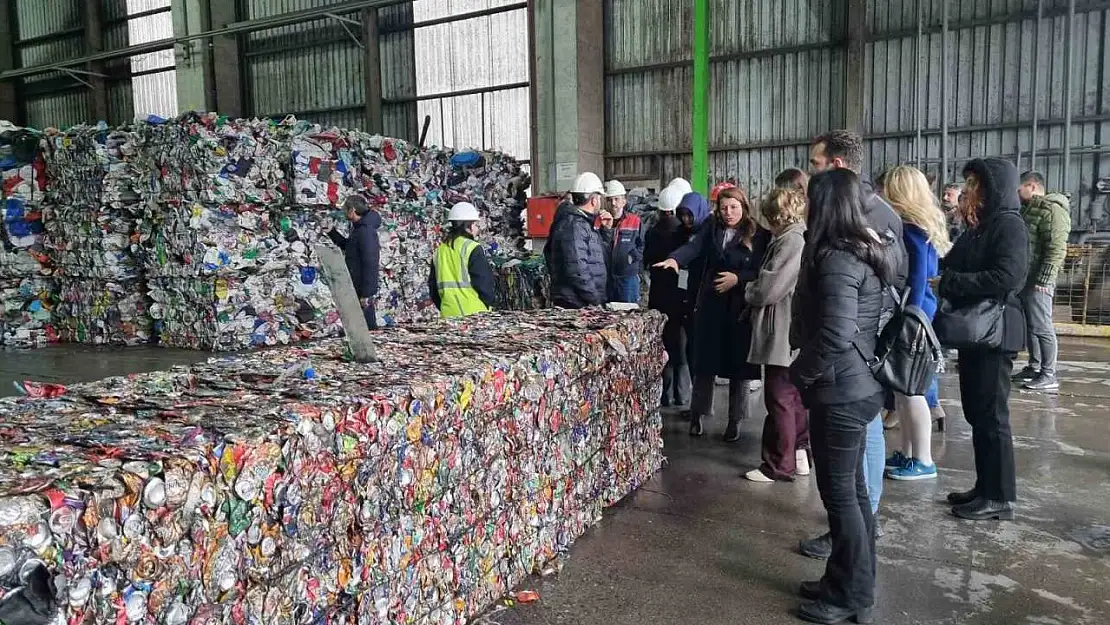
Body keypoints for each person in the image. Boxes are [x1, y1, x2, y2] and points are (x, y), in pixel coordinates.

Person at [789, 169, 894, 625]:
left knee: (843, 499)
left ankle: (852, 594)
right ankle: (845, 581)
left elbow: (836, 331)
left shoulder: (837, 258)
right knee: (850, 495)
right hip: (854, 387)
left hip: (842, 392)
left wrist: (800, 372)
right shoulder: (861, 249)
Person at [799, 130, 907, 560]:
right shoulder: (869, 220)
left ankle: (855, 548)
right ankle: (855, 544)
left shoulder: (851, 236)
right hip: (855, 364)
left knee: (846, 489)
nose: (811, 174)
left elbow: (839, 325)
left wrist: (803, 370)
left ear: (836, 169)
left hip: (847, 368)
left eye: (815, 164)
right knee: (851, 484)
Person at [940, 158, 1029, 521]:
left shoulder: (1009, 226)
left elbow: (1007, 277)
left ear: (993, 188)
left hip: (996, 331)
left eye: (974, 184)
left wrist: (953, 283)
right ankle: (985, 485)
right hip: (976, 332)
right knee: (978, 413)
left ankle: (1000, 496)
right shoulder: (980, 227)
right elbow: (951, 263)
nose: (967, 192)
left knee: (992, 416)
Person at [655, 187, 761, 441]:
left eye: (734, 207)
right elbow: (694, 247)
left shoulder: (757, 234)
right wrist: (675, 260)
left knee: (739, 369)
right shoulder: (711, 228)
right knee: (704, 364)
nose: (728, 213)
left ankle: (735, 421)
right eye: (724, 208)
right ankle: (697, 416)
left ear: (743, 207)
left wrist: (738, 279)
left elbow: (761, 270)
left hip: (739, 309)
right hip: (711, 306)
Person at [880, 166, 952, 482]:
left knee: (912, 391)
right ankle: (909, 453)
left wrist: (909, 314)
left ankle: (922, 459)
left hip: (913, 315)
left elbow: (918, 276)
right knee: (903, 390)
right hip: (916, 312)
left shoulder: (911, 229)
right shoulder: (919, 226)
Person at [744, 187, 809, 482]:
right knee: (793, 397)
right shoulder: (793, 237)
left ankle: (778, 465)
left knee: (779, 397)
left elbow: (770, 288)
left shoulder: (791, 241)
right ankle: (798, 454)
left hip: (782, 328)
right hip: (789, 327)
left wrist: (750, 290)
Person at [1014, 171, 1071, 391]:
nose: (1017, 194)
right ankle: (1034, 366)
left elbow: (1056, 249)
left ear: (1031, 185)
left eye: (1020, 189)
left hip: (1039, 278)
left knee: (1042, 325)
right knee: (1031, 325)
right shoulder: (1029, 209)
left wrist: (1045, 279)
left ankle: (1049, 373)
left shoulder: (1052, 210)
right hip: (1028, 277)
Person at [645, 186, 692, 407]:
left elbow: (646, 262)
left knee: (662, 345)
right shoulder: (683, 234)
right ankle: (682, 396)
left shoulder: (652, 232)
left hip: (657, 297)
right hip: (679, 298)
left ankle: (664, 396)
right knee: (680, 348)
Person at [545, 172, 609, 309]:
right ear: (594, 200)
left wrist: (606, 230)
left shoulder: (583, 223)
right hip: (576, 302)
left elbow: (600, 256)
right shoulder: (575, 225)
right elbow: (577, 269)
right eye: (599, 197)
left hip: (579, 300)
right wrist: (595, 300)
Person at [428, 202, 498, 318]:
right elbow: (484, 283)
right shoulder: (472, 248)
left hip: (448, 315)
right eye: (475, 225)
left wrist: (446, 307)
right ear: (468, 226)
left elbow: (433, 288)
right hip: (474, 313)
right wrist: (489, 303)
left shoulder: (439, 251)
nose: (477, 229)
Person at [328, 195, 381, 329]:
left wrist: (366, 293)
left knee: (367, 327)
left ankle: (373, 348)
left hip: (361, 287)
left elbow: (371, 262)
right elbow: (350, 247)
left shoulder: (365, 231)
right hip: (356, 284)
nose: (344, 213)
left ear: (352, 210)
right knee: (360, 326)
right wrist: (331, 232)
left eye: (345, 209)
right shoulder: (359, 228)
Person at [599, 180, 644, 303]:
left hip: (627, 278)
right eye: (609, 199)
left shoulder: (635, 221)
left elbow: (642, 246)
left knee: (629, 315)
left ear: (624, 201)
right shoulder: (599, 222)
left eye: (616, 199)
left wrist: (630, 258)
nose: (613, 203)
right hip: (606, 278)